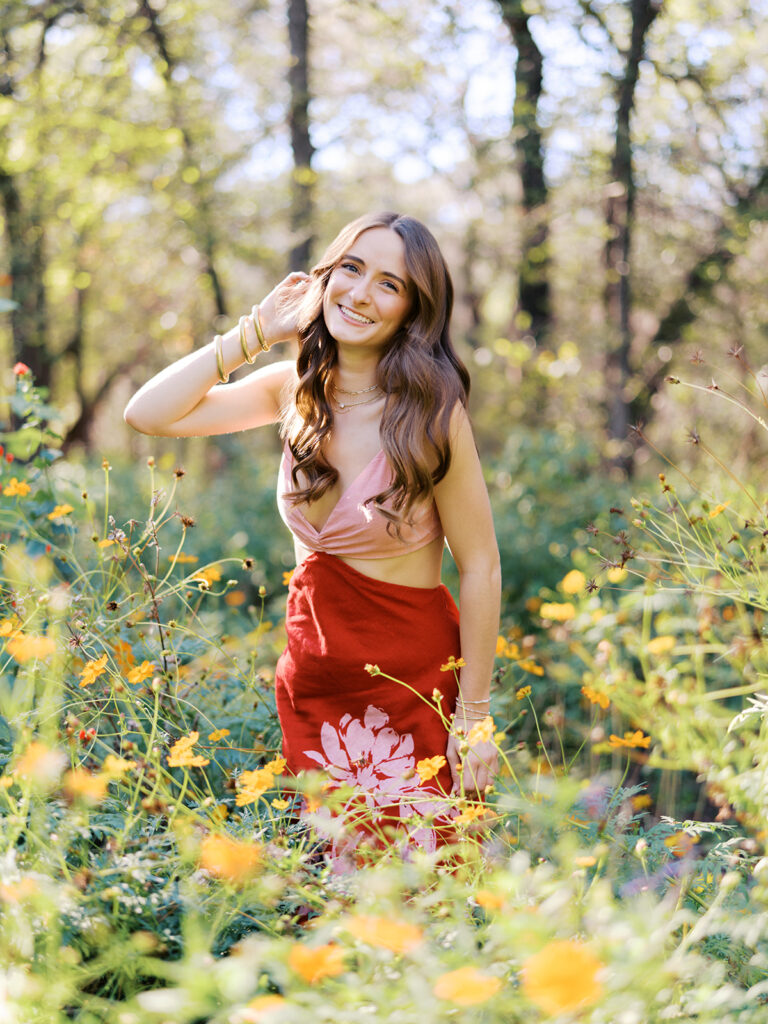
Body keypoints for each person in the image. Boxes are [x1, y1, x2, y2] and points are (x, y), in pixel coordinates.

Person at [125, 211, 501, 853]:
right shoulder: (292, 391)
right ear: (326, 277)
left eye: (389, 284)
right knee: (325, 885)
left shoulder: (432, 416)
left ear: (413, 310)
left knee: (423, 885)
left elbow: (481, 565)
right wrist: (255, 331)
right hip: (314, 682)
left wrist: (473, 717)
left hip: (411, 688)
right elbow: (147, 414)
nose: (360, 293)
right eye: (351, 268)